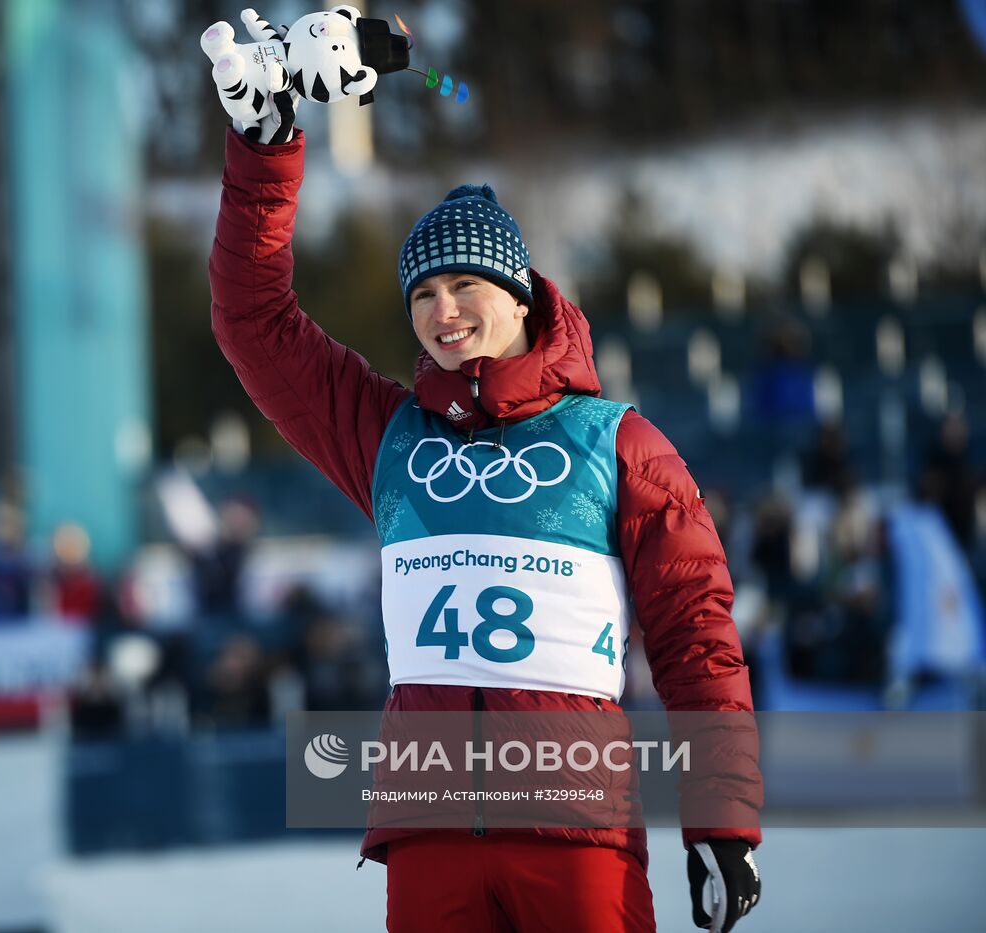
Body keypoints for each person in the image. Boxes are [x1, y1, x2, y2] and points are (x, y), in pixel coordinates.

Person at [209, 126, 761, 932]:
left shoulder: (618, 442)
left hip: (575, 834)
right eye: (423, 294)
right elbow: (253, 320)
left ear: (519, 294)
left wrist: (724, 823)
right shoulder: (385, 435)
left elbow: (695, 637)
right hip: (431, 836)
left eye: (465, 283)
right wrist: (264, 147)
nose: (443, 310)